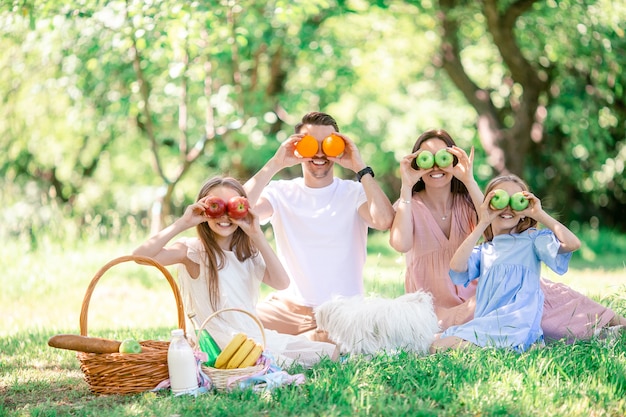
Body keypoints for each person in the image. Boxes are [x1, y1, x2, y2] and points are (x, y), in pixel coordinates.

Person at [389, 129, 626, 342]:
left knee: (544, 292)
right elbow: (401, 244)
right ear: (417, 163)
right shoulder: (408, 204)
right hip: (442, 306)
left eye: (442, 157)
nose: (435, 166)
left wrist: (468, 178)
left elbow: (493, 218)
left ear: (453, 159)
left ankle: (611, 323)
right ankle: (596, 332)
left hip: (487, 291)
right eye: (426, 158)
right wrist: (407, 185)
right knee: (520, 309)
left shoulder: (467, 202)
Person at [133, 176, 337, 367]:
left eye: (231, 206)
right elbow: (140, 257)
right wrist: (183, 223)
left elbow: (282, 282)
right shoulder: (192, 251)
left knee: (330, 353)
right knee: (283, 362)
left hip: (252, 337)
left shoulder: (247, 253)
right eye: (216, 205)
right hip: (219, 344)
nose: (224, 216)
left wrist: (256, 234)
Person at [244, 111, 395, 340]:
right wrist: (275, 164)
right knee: (234, 325)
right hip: (288, 309)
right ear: (297, 146)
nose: (320, 153)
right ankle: (306, 340)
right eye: (311, 144)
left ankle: (308, 341)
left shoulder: (354, 193)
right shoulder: (281, 192)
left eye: (328, 144)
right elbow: (239, 211)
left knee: (335, 343)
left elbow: (384, 221)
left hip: (341, 311)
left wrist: (360, 167)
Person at [430, 175, 580, 352]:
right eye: (500, 199)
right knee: (435, 340)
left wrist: (539, 214)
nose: (508, 207)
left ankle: (510, 347)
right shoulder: (485, 251)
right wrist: (483, 221)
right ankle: (506, 348)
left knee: (438, 346)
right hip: (488, 324)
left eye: (515, 200)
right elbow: (456, 266)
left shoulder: (532, 241)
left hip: (515, 325)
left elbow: (572, 244)